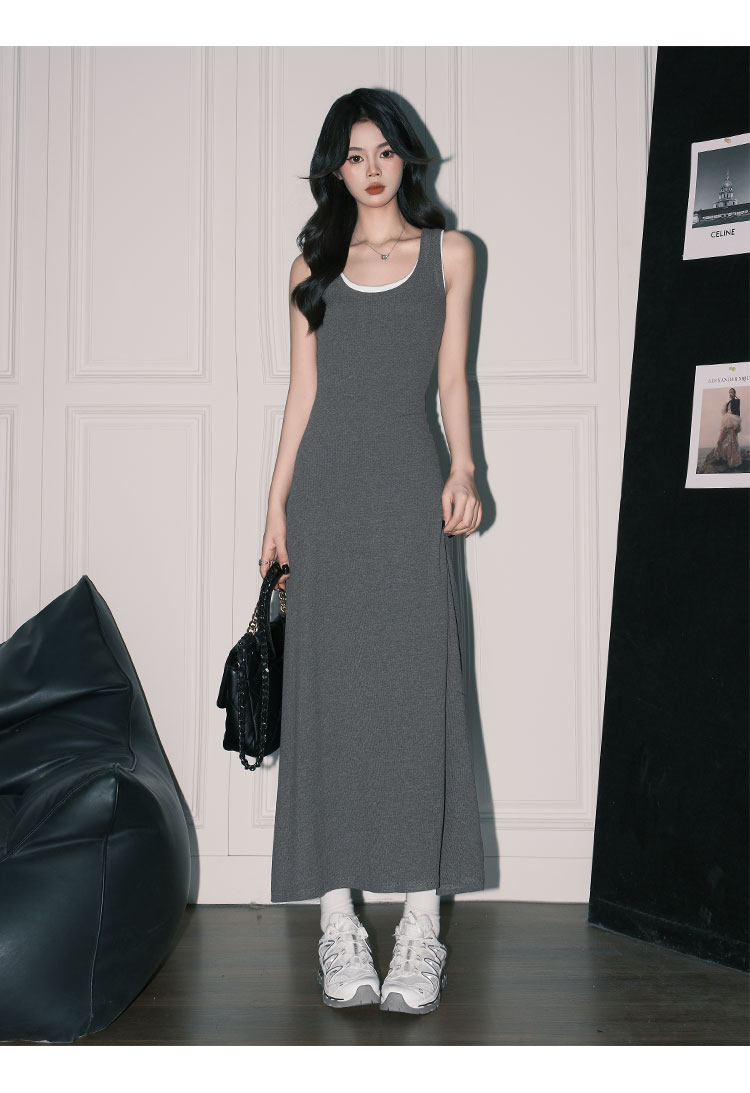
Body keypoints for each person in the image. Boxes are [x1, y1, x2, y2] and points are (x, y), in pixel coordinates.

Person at [259, 88, 485, 1015]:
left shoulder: (451, 255)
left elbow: (452, 378)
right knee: (329, 698)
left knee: (418, 696)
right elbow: (301, 394)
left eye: (385, 151)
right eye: (354, 156)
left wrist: (463, 466)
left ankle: (422, 924)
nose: (373, 169)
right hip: (327, 499)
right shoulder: (311, 269)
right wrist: (275, 505)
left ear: (407, 157)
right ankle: (339, 920)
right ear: (336, 169)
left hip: (407, 493)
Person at [698, 387, 743, 472]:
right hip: (726, 421)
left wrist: (737, 425)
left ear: (734, 393)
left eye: (732, 392)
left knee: (732, 441)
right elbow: (724, 412)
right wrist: (725, 407)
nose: (731, 393)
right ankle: (720, 456)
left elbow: (738, 412)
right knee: (720, 440)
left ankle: (733, 462)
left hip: (733, 421)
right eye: (730, 392)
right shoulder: (727, 402)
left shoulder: (737, 401)